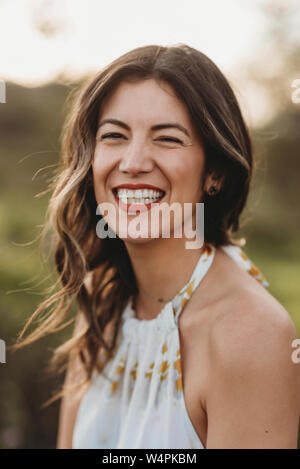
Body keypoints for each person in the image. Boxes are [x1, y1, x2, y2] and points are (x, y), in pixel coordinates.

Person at [12, 44, 300, 449]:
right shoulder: (104, 295)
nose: (133, 161)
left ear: (213, 173)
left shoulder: (251, 335)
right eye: (114, 136)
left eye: (167, 139)